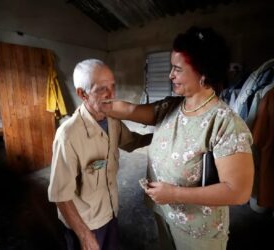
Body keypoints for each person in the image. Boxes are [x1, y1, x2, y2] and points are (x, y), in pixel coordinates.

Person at [102, 26, 254, 250]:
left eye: (177, 69)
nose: (170, 75)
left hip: (198, 230)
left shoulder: (225, 124)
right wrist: (97, 105)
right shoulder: (171, 107)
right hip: (164, 212)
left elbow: (238, 191)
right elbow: (130, 109)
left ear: (203, 73)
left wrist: (174, 193)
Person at [48, 59, 152, 250]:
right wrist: (85, 236)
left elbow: (131, 141)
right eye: (102, 89)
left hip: (109, 211)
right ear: (82, 94)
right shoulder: (68, 136)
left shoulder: (111, 118)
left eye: (113, 86)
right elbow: (61, 196)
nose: (112, 95)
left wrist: (162, 137)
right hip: (85, 223)